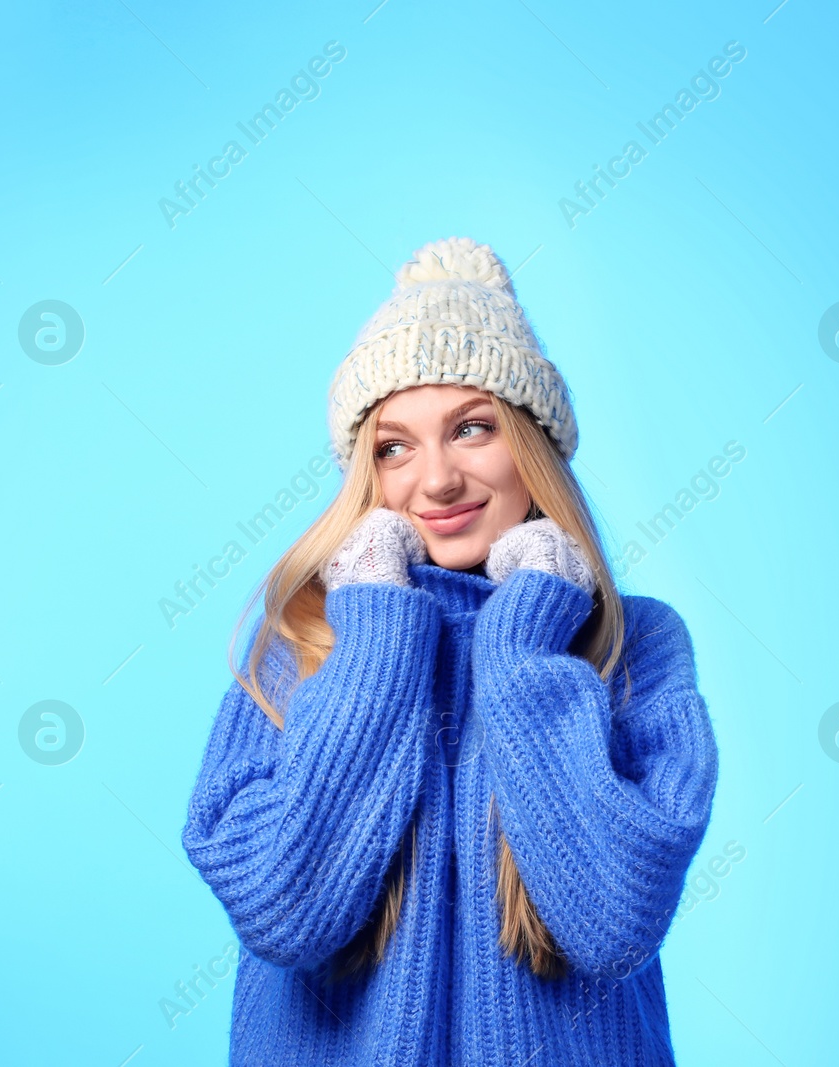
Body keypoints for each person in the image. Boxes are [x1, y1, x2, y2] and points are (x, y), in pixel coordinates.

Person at [180, 236, 720, 1066]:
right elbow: (284, 911)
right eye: (393, 445)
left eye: (472, 429)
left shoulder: (634, 645)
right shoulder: (306, 640)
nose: (434, 480)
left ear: (533, 443)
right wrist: (377, 631)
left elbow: (612, 919)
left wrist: (524, 635)